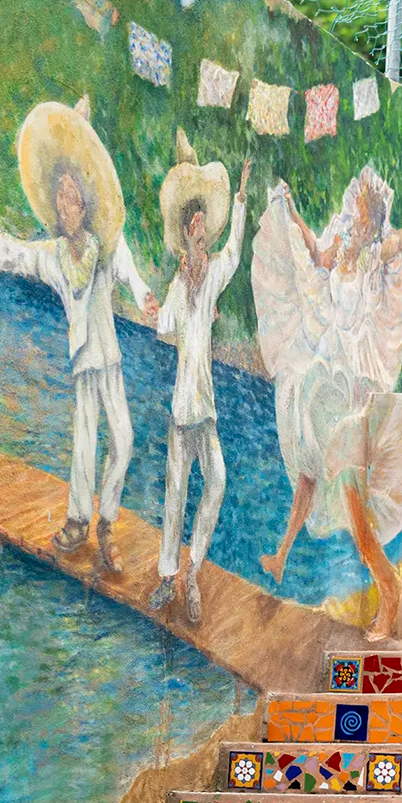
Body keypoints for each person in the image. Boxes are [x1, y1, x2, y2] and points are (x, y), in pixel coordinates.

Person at [251, 166, 402, 642]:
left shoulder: (369, 259)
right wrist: (291, 211)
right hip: (324, 376)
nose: (353, 218)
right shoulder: (341, 248)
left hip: (353, 388)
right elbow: (311, 252)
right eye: (354, 211)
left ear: (371, 222)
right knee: (308, 465)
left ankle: (388, 586)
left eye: (363, 215)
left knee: (347, 487)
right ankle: (282, 554)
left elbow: (396, 243)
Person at [0, 98, 158, 577]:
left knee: (125, 440)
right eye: (60, 197)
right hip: (83, 358)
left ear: (83, 204)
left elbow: (130, 271)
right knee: (81, 441)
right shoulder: (54, 254)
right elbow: (16, 255)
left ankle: (106, 521)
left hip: (108, 357)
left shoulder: (106, 244)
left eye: (71, 196)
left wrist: (146, 296)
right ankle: (78, 522)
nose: (65, 204)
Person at [149, 131, 250, 626]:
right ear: (185, 232)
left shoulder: (211, 277)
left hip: (204, 410)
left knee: (217, 483)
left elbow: (233, 253)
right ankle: (168, 575)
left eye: (205, 223)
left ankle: (192, 570)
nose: (201, 229)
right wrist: (168, 302)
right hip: (180, 412)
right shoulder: (180, 284)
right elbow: (165, 326)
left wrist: (242, 198)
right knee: (175, 494)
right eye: (194, 223)